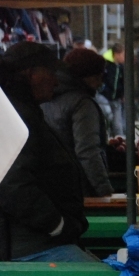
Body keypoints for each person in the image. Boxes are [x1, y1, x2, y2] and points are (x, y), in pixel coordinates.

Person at [0, 42, 90, 263]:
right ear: (31, 74)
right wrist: (58, 225)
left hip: (36, 241)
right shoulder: (16, 117)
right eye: (50, 72)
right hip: (29, 245)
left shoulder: (21, 112)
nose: (56, 81)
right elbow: (12, 184)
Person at [42, 48, 114, 198]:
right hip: (79, 188)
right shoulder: (82, 104)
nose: (101, 82)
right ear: (88, 76)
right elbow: (87, 151)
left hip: (51, 186)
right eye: (99, 75)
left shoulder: (47, 97)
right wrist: (105, 191)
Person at [100, 42, 125, 136]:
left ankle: (120, 141)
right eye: (123, 54)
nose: (124, 57)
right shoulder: (107, 65)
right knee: (108, 119)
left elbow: (123, 81)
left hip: (116, 99)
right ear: (117, 54)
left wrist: (122, 94)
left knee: (118, 125)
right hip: (105, 98)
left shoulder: (121, 67)